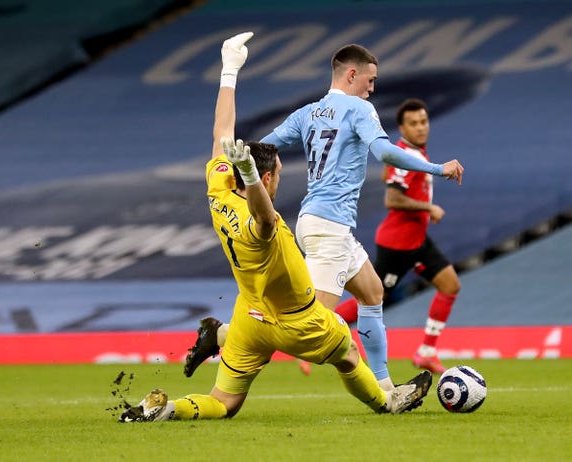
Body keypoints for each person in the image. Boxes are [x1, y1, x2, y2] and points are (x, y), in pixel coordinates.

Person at [119, 32, 432, 423]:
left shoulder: (218, 190)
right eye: (278, 175)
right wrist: (252, 172)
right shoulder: (261, 226)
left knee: (224, 403)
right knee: (348, 354)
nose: (280, 179)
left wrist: (229, 71)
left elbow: (222, 130)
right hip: (295, 320)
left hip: (251, 317)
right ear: (264, 182)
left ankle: (167, 408)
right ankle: (387, 401)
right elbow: (265, 216)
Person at [257, 44, 464, 389]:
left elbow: (261, 148)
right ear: (352, 75)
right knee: (313, 326)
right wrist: (437, 168)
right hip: (329, 227)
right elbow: (384, 151)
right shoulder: (359, 108)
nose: (372, 88)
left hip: (321, 223)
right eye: (370, 80)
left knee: (372, 294)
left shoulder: (308, 112)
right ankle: (228, 337)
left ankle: (385, 388)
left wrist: (235, 168)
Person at [335, 98, 461, 374]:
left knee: (450, 285)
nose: (421, 128)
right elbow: (392, 198)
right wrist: (428, 207)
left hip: (417, 240)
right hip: (398, 244)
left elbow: (390, 177)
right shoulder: (407, 155)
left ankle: (427, 351)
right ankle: (321, 324)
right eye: (413, 123)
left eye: (424, 121)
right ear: (402, 127)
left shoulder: (411, 153)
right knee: (371, 300)